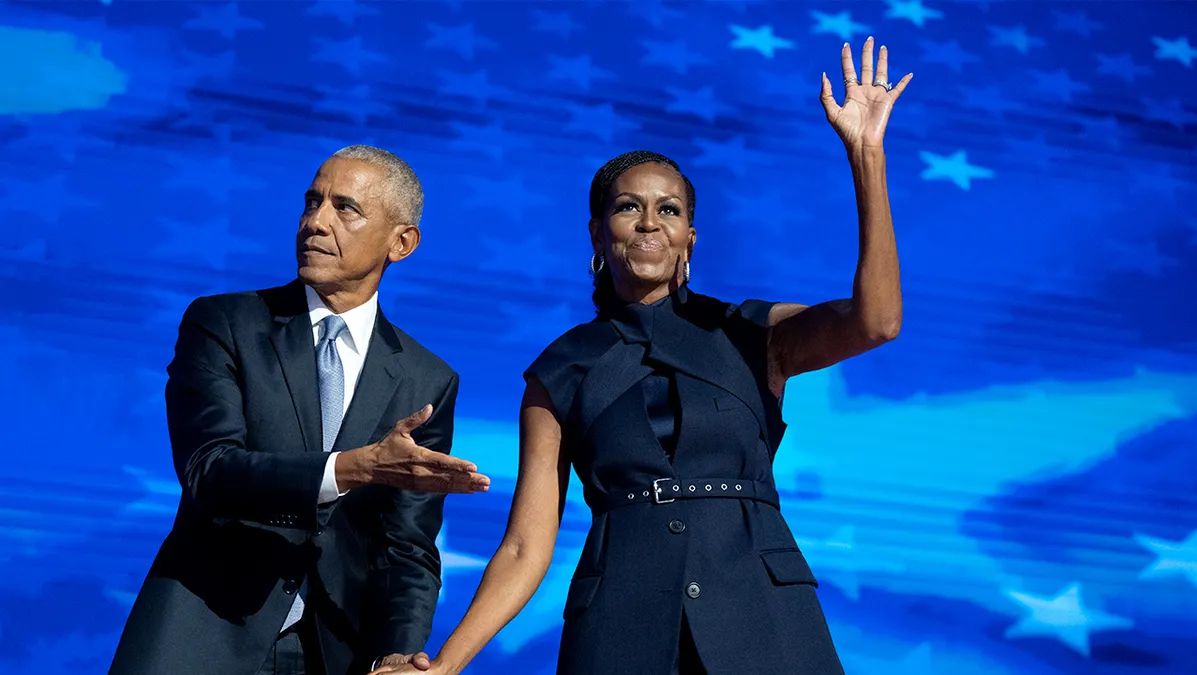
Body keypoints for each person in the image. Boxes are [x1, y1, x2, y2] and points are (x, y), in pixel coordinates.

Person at [372, 40, 910, 675]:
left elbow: (877, 322)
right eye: (628, 207)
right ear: (598, 234)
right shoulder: (561, 368)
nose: (650, 222)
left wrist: (867, 156)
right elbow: (524, 546)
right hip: (620, 631)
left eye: (669, 210)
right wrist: (445, 665)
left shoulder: (752, 333)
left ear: (689, 239)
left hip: (766, 621)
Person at [109, 145, 491, 675]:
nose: (315, 222)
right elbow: (209, 471)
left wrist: (398, 654)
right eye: (312, 202)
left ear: (401, 242)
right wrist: (355, 468)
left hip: (333, 652)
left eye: (345, 208)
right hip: (201, 639)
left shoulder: (427, 379)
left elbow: (409, 546)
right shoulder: (225, 323)